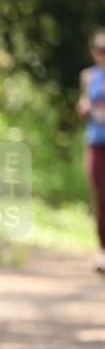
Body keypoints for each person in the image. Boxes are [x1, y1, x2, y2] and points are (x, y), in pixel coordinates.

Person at [76, 28, 105, 275]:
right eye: (100, 51)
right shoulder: (88, 76)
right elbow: (84, 102)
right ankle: (102, 249)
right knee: (100, 197)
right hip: (96, 140)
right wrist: (84, 107)